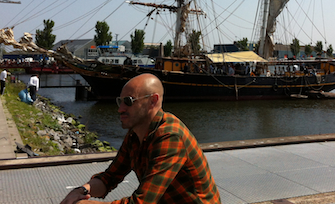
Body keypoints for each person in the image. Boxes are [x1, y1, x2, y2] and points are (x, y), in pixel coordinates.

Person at [60, 73, 221, 204]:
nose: (120, 109)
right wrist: (81, 191)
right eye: (120, 102)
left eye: (129, 102)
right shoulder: (135, 134)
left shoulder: (170, 136)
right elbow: (110, 178)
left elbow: (142, 202)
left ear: (153, 101)